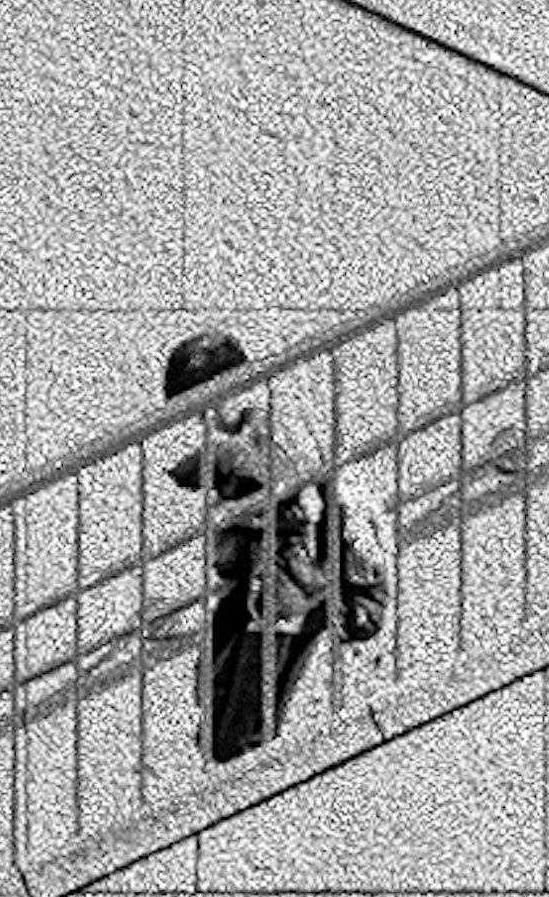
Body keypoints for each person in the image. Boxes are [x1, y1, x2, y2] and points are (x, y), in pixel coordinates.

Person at [166, 328, 389, 766]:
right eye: (197, 412)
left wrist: (234, 493)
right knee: (215, 709)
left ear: (240, 384)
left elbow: (300, 504)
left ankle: (241, 809)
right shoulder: (247, 432)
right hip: (260, 588)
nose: (207, 419)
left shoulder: (271, 428)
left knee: (241, 734)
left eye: (212, 404)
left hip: (294, 592)